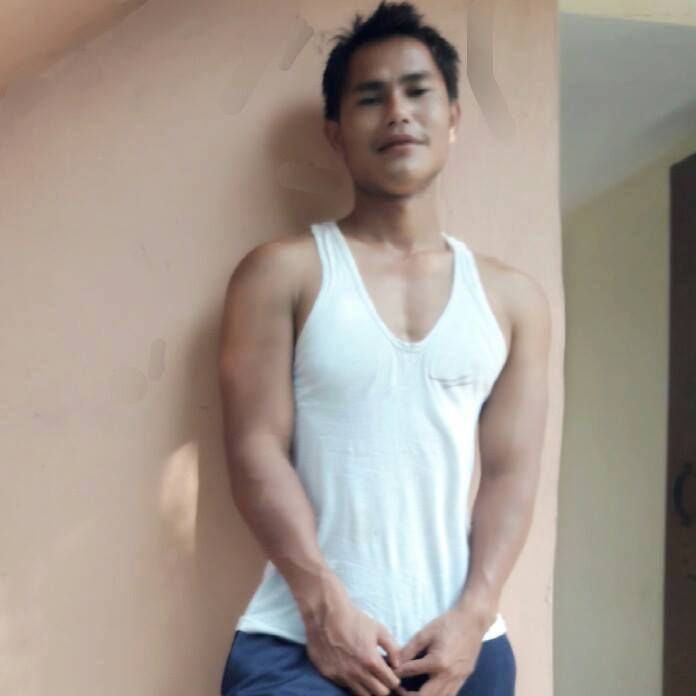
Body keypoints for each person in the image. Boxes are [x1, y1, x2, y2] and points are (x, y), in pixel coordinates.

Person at [217, 2, 551, 694]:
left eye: (417, 90)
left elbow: (511, 473)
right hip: (300, 646)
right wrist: (322, 608)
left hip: (461, 653)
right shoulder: (281, 272)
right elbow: (254, 448)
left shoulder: (514, 299)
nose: (397, 111)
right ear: (335, 133)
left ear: (452, 117)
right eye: (370, 97)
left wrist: (475, 613)